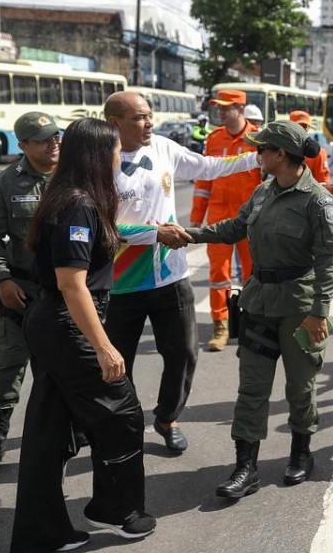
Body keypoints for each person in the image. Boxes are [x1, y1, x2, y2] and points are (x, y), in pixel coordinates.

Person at [10, 118, 157, 553]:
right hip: (65, 321)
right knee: (122, 414)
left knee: (49, 429)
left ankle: (39, 533)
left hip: (58, 321)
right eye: (115, 150)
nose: (120, 157)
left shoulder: (76, 196)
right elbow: (72, 284)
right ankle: (115, 510)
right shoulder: (77, 204)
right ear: (97, 155)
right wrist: (103, 345)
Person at [185, 121, 333, 498]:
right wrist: (190, 234)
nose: (257, 156)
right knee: (252, 388)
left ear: (280, 155)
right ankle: (245, 468)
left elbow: (328, 263)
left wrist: (319, 312)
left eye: (262, 149)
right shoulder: (261, 192)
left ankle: (301, 453)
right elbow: (234, 227)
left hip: (299, 307)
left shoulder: (318, 202)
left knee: (300, 387)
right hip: (258, 302)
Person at [104, 91, 259, 453]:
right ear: (114, 123)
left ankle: (167, 418)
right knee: (115, 360)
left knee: (183, 354)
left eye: (149, 115)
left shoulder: (162, 147)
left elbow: (208, 167)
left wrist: (256, 157)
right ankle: (119, 421)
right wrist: (153, 233)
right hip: (122, 281)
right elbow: (103, 227)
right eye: (139, 117)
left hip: (170, 276)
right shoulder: (99, 160)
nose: (149, 123)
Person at [0, 111, 61, 465]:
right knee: (9, 364)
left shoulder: (75, 175)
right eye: (43, 139)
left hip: (66, 290)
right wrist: (2, 279)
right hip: (22, 291)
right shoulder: (6, 182)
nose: (53, 143)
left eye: (56, 136)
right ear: (23, 145)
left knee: (64, 366)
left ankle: (69, 429)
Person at [190, 89, 264, 352]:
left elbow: (265, 179)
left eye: (225, 107)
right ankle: (220, 325)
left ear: (241, 109)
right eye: (218, 107)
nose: (220, 112)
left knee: (252, 273)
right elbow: (203, 179)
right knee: (218, 274)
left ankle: (250, 323)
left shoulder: (258, 138)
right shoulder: (213, 138)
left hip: (250, 218)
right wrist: (197, 215)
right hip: (219, 217)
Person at [290, 110, 332, 186]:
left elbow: (323, 183)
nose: (302, 129)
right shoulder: (281, 149)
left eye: (305, 126)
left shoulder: (318, 153)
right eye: (298, 126)